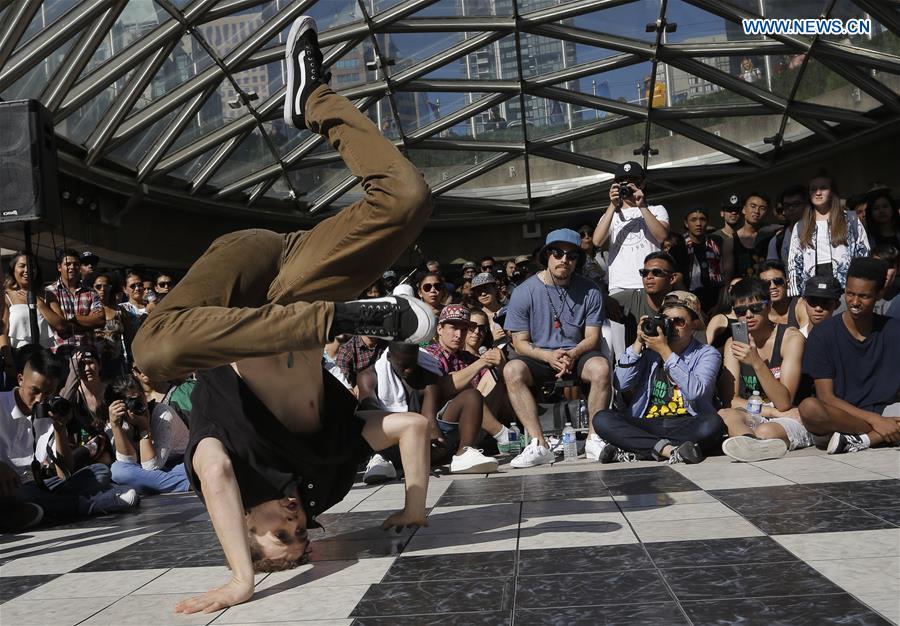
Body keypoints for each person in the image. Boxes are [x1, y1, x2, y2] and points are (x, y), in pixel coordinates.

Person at [132, 17, 436, 614]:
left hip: (241, 281)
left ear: (245, 527)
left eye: (280, 535)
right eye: (302, 536)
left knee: (153, 351)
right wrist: (415, 506)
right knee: (408, 199)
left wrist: (241, 580)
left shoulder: (224, 461)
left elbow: (216, 481)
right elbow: (413, 428)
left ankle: (340, 318)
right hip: (304, 288)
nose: (295, 523)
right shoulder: (331, 471)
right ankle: (313, 97)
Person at [503, 229, 610, 467]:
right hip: (539, 355)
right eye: (558, 253)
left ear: (578, 261)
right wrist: (548, 356)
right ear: (547, 256)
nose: (564, 260)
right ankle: (538, 443)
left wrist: (572, 354)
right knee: (511, 371)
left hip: (576, 353)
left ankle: (594, 438)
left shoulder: (591, 290)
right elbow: (519, 342)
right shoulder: (524, 291)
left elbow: (592, 338)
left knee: (601, 368)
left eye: (572, 256)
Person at [0, 348, 138, 527]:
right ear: (20, 379)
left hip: (37, 485)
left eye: (48, 393)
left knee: (99, 472)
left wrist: (60, 429)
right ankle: (85, 505)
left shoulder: (50, 410)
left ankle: (35, 510)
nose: (39, 399)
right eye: (34, 391)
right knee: (18, 493)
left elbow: (64, 473)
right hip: (6, 487)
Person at [592, 299, 724, 464]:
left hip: (687, 422)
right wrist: (638, 343)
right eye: (667, 321)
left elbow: (695, 392)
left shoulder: (707, 353)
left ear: (694, 324)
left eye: (679, 322)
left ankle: (638, 449)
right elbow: (621, 383)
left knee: (713, 424)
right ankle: (669, 450)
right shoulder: (649, 352)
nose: (672, 327)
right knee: (601, 419)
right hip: (648, 422)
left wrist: (666, 352)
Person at [799, 258, 900, 454]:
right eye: (850, 294)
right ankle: (876, 434)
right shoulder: (822, 334)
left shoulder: (894, 330)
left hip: (887, 411)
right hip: (841, 417)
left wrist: (882, 418)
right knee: (809, 408)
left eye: (864, 296)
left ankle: (862, 440)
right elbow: (826, 397)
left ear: (879, 294)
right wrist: (875, 421)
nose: (854, 302)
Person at [718, 279, 810, 462]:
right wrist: (772, 413)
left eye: (756, 308)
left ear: (769, 306)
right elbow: (731, 400)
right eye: (741, 311)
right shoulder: (733, 344)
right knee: (724, 414)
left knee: (765, 431)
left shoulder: (791, 338)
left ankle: (752, 444)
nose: (749, 315)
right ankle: (751, 444)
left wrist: (757, 363)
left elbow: (784, 403)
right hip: (763, 413)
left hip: (792, 415)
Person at [424, 305, 508, 473]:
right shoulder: (430, 354)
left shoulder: (467, 357)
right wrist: (481, 362)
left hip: (467, 424)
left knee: (497, 377)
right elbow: (444, 389)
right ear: (439, 329)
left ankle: (508, 435)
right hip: (438, 428)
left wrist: (500, 363)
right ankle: (502, 437)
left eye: (463, 329)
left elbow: (494, 382)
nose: (459, 334)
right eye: (453, 328)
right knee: (470, 395)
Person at [787, 171, 869, 295]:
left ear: (832, 192)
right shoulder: (800, 226)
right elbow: (794, 263)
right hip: (812, 292)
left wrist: (861, 288)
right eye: (813, 189)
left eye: (823, 188)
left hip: (846, 290)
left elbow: (864, 254)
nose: (818, 193)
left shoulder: (850, 219)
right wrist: (797, 295)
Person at [106, 374, 191, 494]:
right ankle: (182, 483)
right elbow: (127, 461)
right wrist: (116, 426)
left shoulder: (163, 414)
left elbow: (151, 466)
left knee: (190, 469)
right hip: (150, 469)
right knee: (117, 470)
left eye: (139, 398)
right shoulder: (115, 421)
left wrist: (144, 429)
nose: (137, 404)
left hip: (178, 463)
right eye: (130, 401)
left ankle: (174, 484)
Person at [592, 161, 669, 294]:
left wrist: (642, 206)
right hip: (619, 285)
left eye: (633, 181)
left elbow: (662, 236)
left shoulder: (656, 210)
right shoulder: (610, 215)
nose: (627, 186)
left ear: (642, 183)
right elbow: (597, 241)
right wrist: (612, 204)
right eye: (622, 182)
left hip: (649, 283)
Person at [45, 249, 105, 357]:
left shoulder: (91, 292)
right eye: (68, 264)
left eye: (76, 264)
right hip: (60, 354)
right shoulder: (49, 292)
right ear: (59, 267)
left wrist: (69, 319)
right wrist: (88, 323)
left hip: (88, 354)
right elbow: (59, 326)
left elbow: (100, 320)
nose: (72, 267)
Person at [613, 252, 678, 345]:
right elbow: (594, 302)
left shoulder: (683, 306)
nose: (649, 277)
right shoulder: (632, 299)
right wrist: (605, 299)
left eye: (656, 272)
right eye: (644, 273)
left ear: (672, 278)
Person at [3, 253, 65, 351]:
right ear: (13, 270)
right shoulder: (6, 296)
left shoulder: (48, 295)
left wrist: (38, 302)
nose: (27, 270)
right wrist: (6, 356)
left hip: (44, 354)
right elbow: (3, 331)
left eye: (32, 267)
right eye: (22, 266)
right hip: (17, 354)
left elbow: (61, 326)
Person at [680, 208, 726, 312]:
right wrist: (693, 307)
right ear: (686, 223)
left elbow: (724, 274)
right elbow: (677, 280)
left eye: (702, 219)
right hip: (689, 299)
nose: (698, 224)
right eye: (693, 220)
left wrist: (719, 304)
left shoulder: (716, 243)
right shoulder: (680, 245)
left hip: (716, 297)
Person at [733, 192, 773, 279]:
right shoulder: (731, 240)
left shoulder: (771, 238)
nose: (757, 211)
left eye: (762, 208)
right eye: (753, 206)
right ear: (744, 209)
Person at [767, 185, 808, 263]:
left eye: (796, 204)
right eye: (787, 205)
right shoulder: (777, 240)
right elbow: (772, 268)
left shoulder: (821, 232)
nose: (791, 208)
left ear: (807, 205)